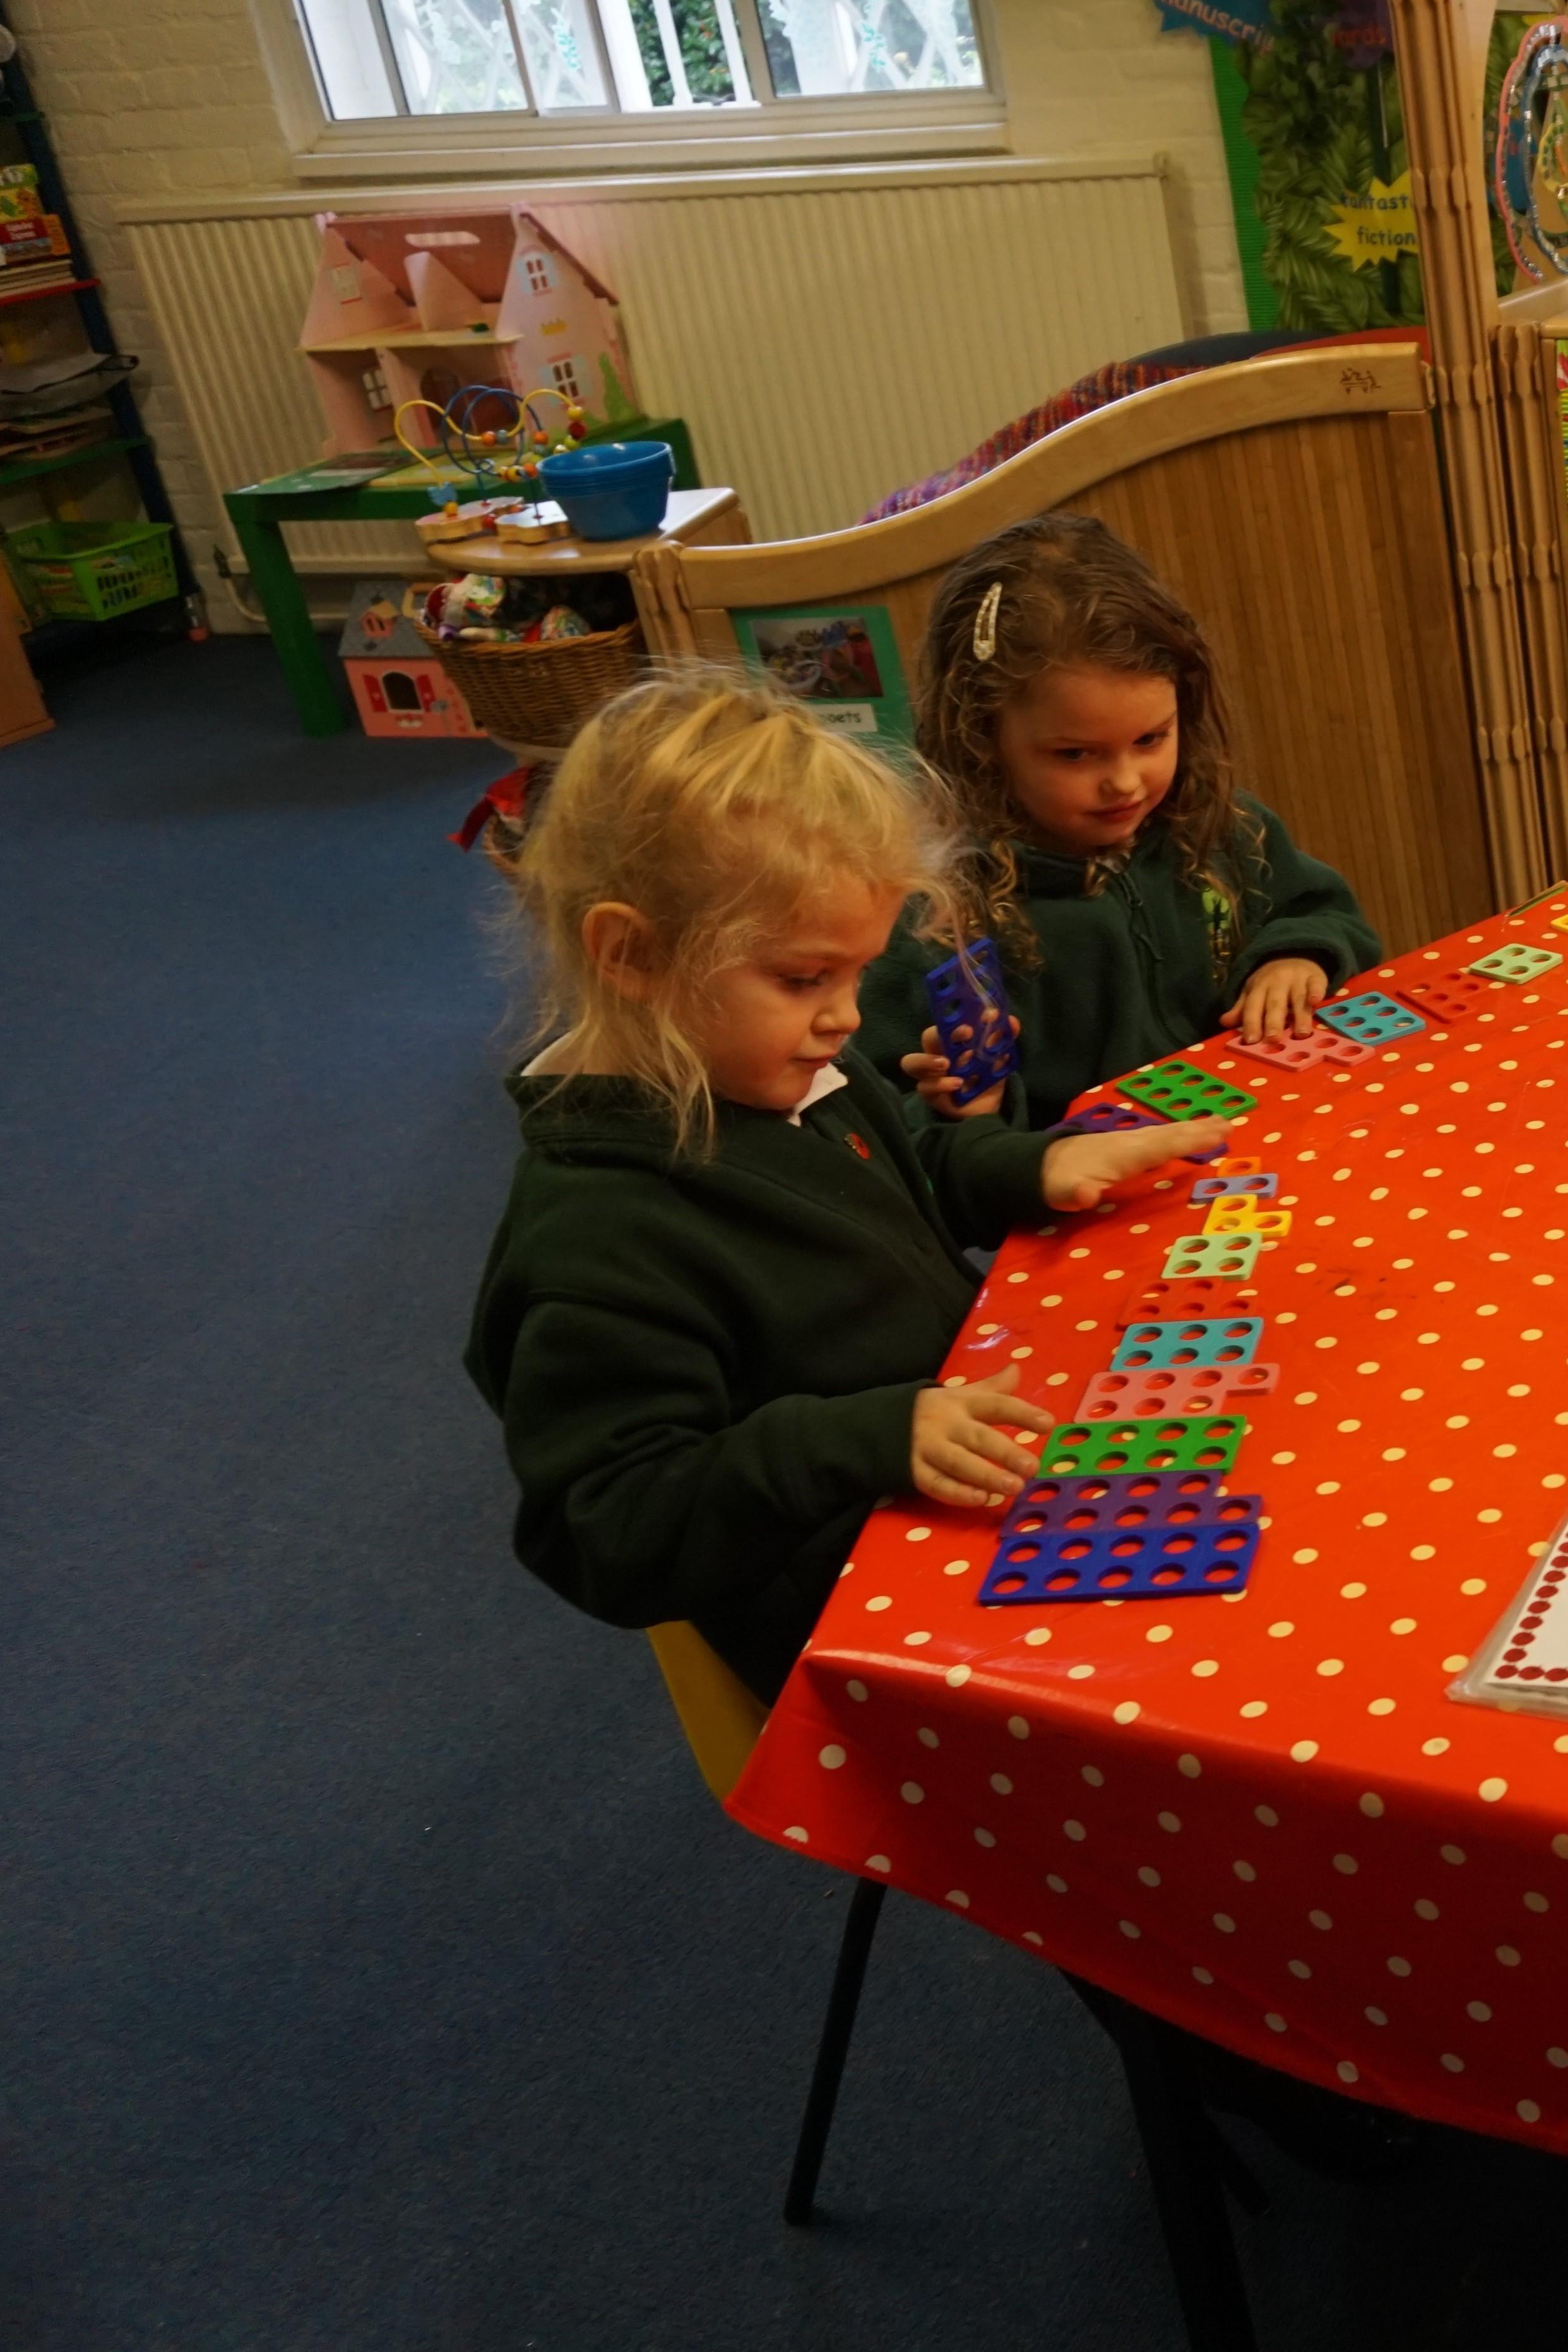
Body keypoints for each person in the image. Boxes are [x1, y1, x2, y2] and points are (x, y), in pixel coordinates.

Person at [467, 669, 1224, 1701]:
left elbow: (898, 1191)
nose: (847, 1017)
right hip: (856, 1609)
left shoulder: (785, 1072)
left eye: (857, 973)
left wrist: (1030, 1162)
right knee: (1188, 1676)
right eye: (802, 979)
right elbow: (608, 1530)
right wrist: (860, 1440)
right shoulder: (597, 1240)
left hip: (946, 1460)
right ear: (632, 954)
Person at [858, 511, 1381, 1126]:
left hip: (1258, 1133)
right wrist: (953, 1109)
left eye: (1151, 739)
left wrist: (1295, 957)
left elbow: (1321, 913)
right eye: (1075, 754)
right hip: (1084, 1173)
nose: (1126, 782)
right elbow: (876, 1110)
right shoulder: (932, 913)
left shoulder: (1218, 825)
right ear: (982, 739)